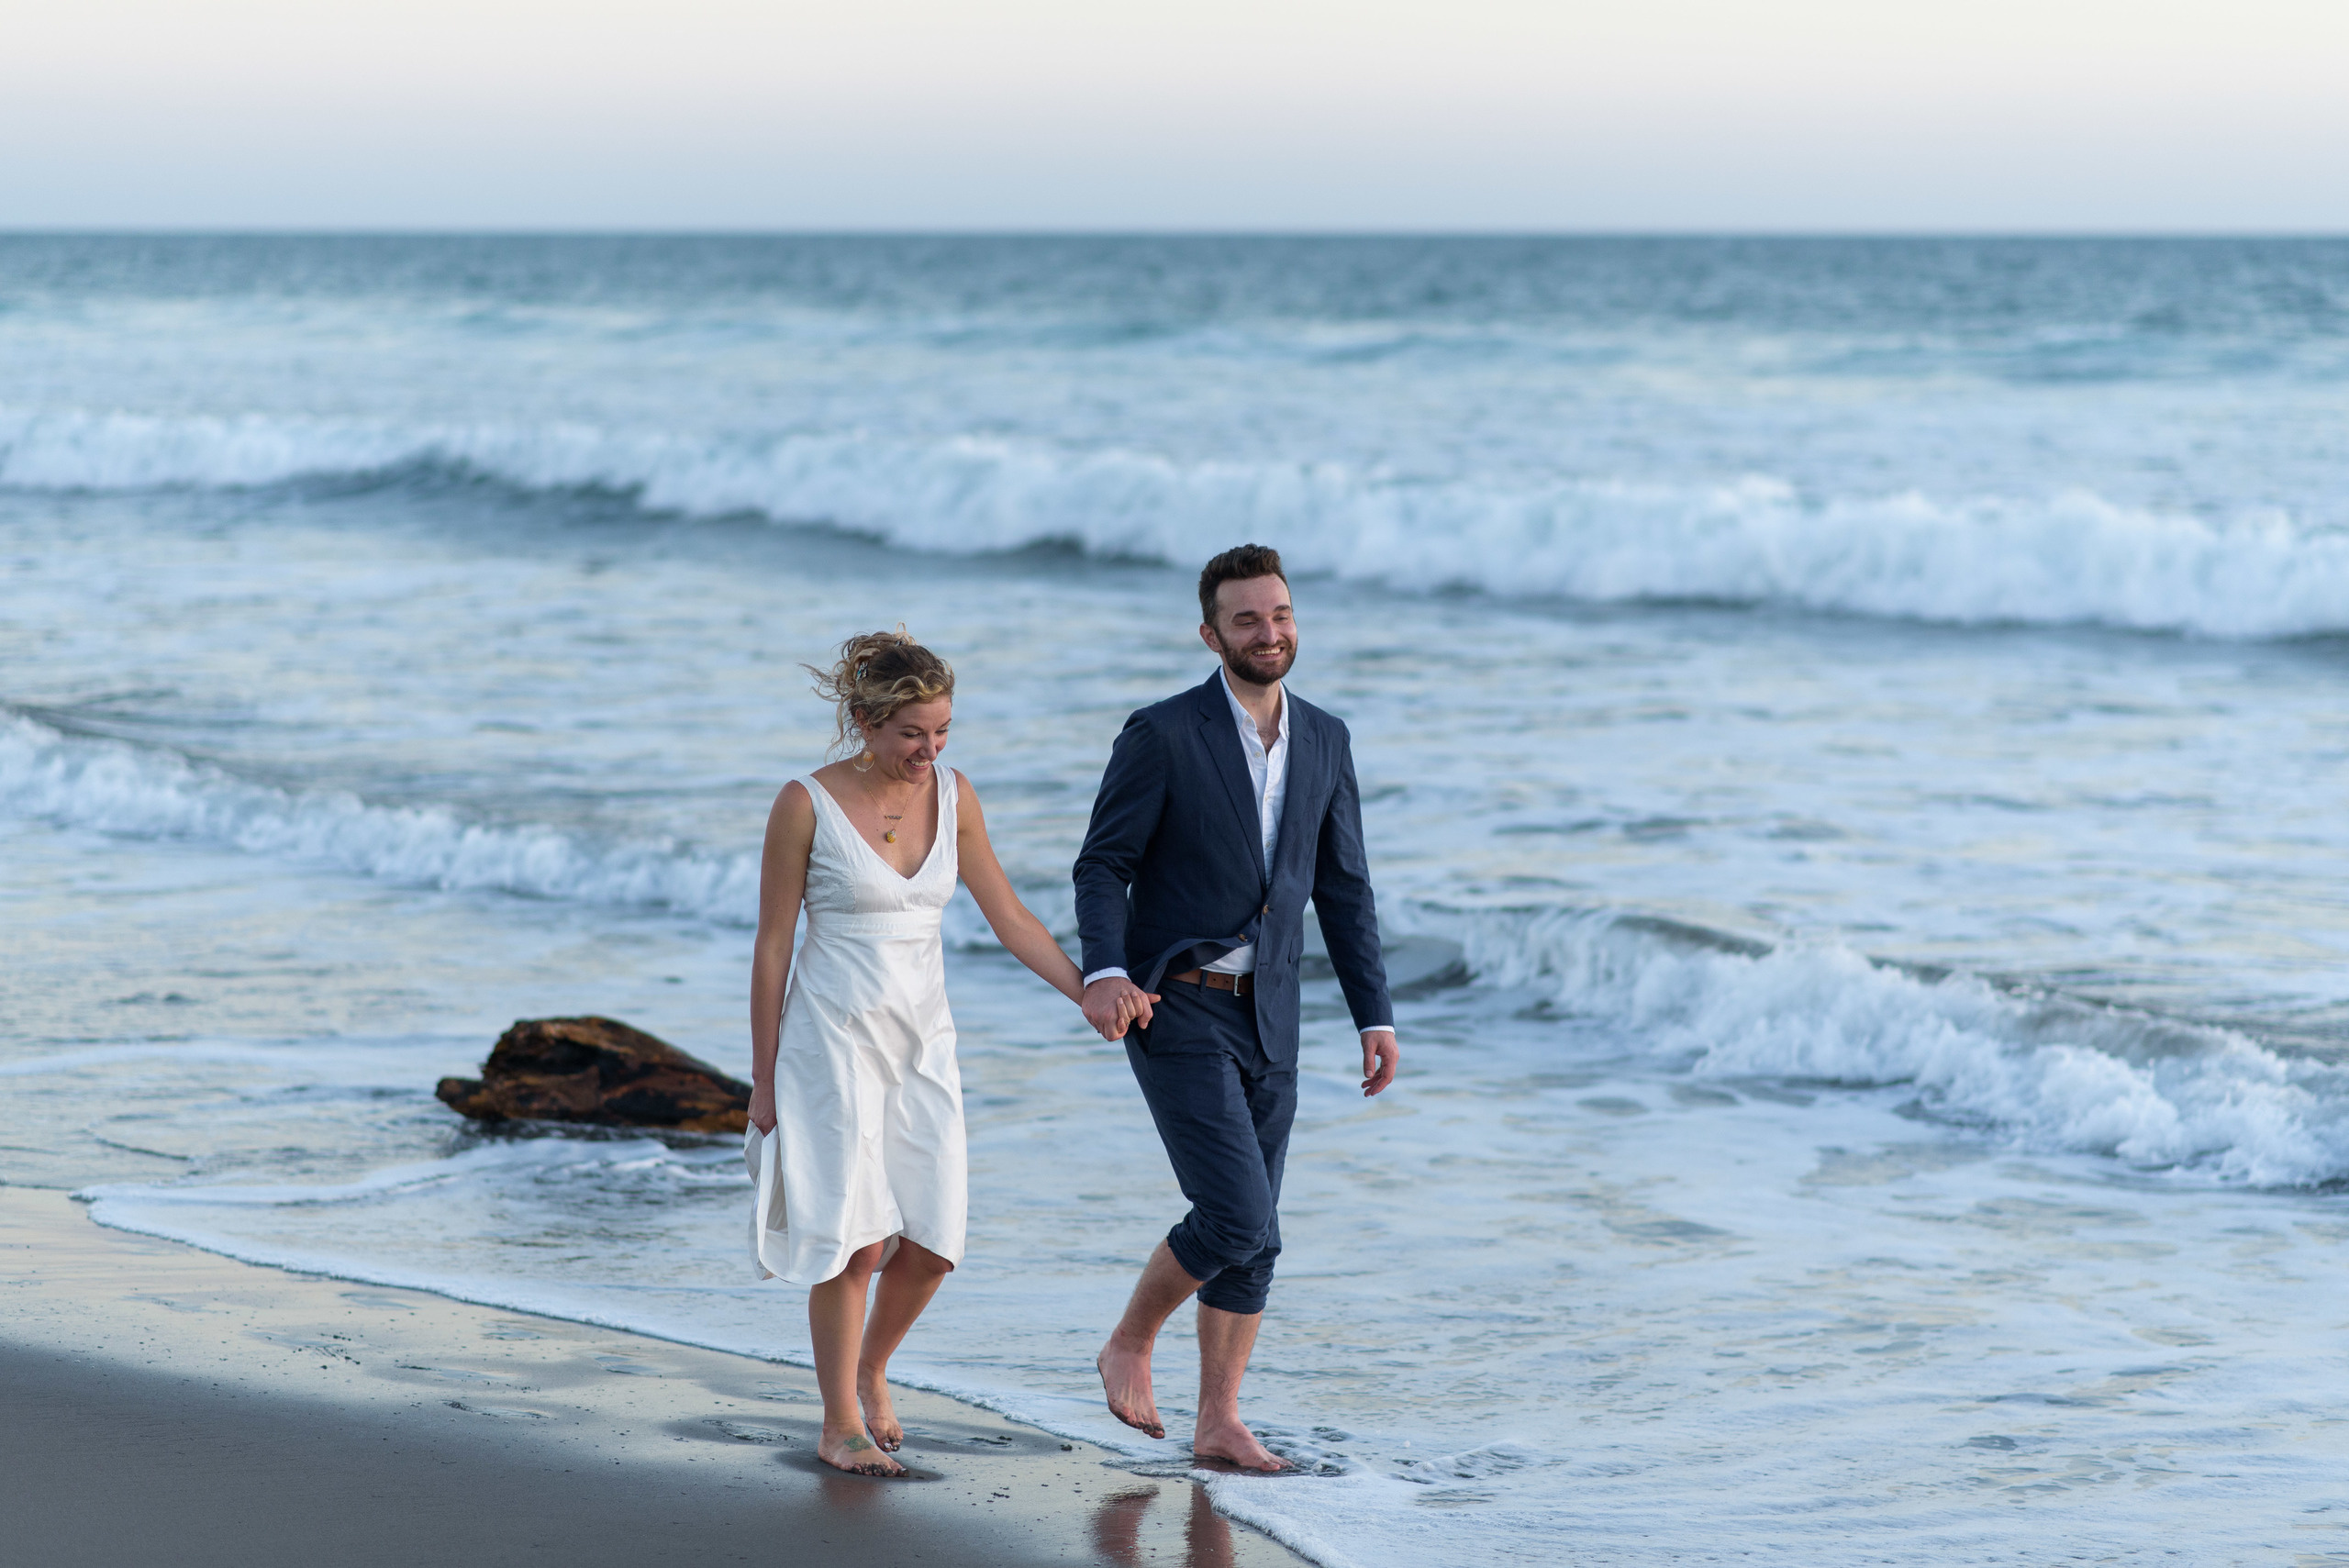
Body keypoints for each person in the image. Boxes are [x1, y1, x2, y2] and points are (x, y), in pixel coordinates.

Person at [1074, 544, 1399, 1473]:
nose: (1270, 633)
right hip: (1174, 1003)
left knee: (1259, 1235)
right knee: (1234, 1213)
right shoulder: (1163, 732)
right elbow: (1103, 863)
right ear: (1210, 632)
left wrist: (1373, 1014)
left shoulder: (1328, 737)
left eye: (1282, 614)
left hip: (1275, 1014)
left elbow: (1345, 889)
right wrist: (1104, 968)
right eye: (1249, 619)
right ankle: (1129, 1339)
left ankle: (1218, 1419)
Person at [746, 629, 1086, 1477]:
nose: (927, 751)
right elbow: (771, 948)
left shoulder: (956, 795)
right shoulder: (804, 803)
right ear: (864, 720)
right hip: (829, 1043)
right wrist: (763, 1079)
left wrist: (1088, 993)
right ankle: (839, 1423)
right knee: (855, 1242)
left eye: (941, 733)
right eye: (911, 734)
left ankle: (872, 1365)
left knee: (933, 1240)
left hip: (923, 1043)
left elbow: (1008, 916)